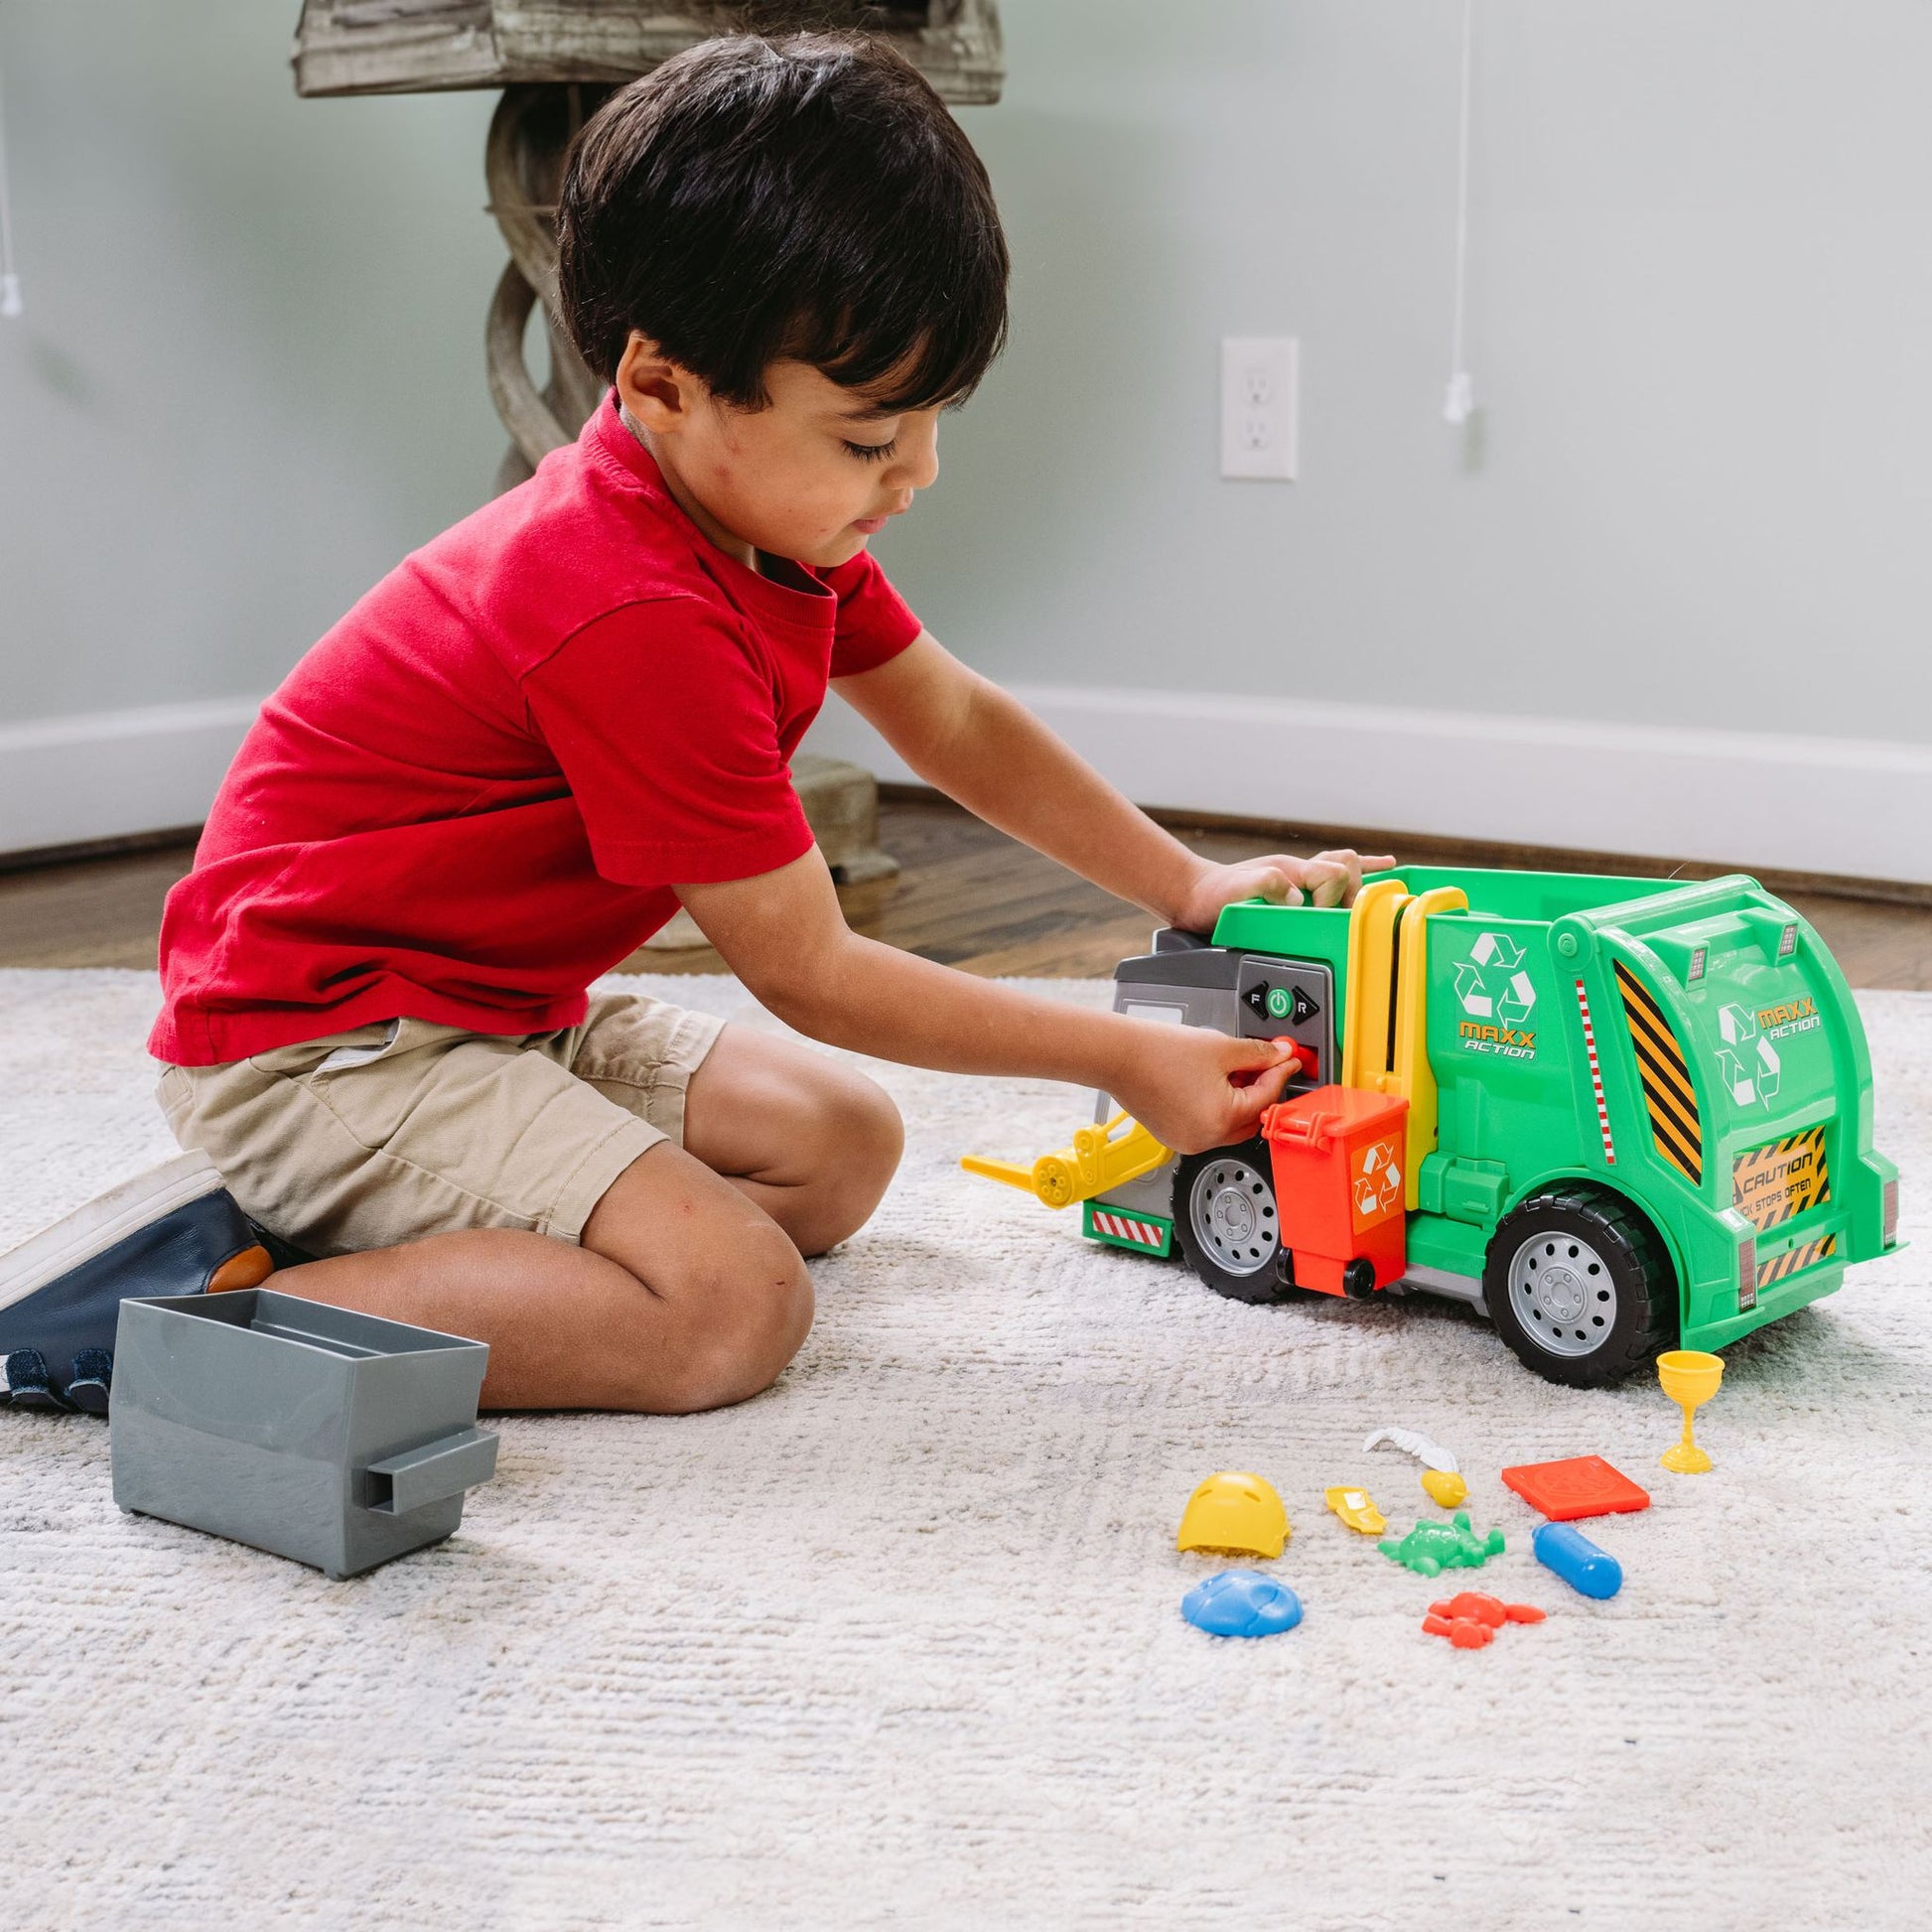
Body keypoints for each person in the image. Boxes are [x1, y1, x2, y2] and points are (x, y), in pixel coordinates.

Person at [9, 32, 1389, 1416]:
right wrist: (1116, 1053)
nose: (917, 472)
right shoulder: (631, 609)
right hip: (325, 1047)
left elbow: (952, 717)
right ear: (661, 384)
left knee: (838, 1149)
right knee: (730, 1310)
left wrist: (1186, 884)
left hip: (490, 1015)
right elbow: (812, 971)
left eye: (931, 421)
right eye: (868, 437)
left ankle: (389, 1236)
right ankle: (177, 1323)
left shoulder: (757, 522)